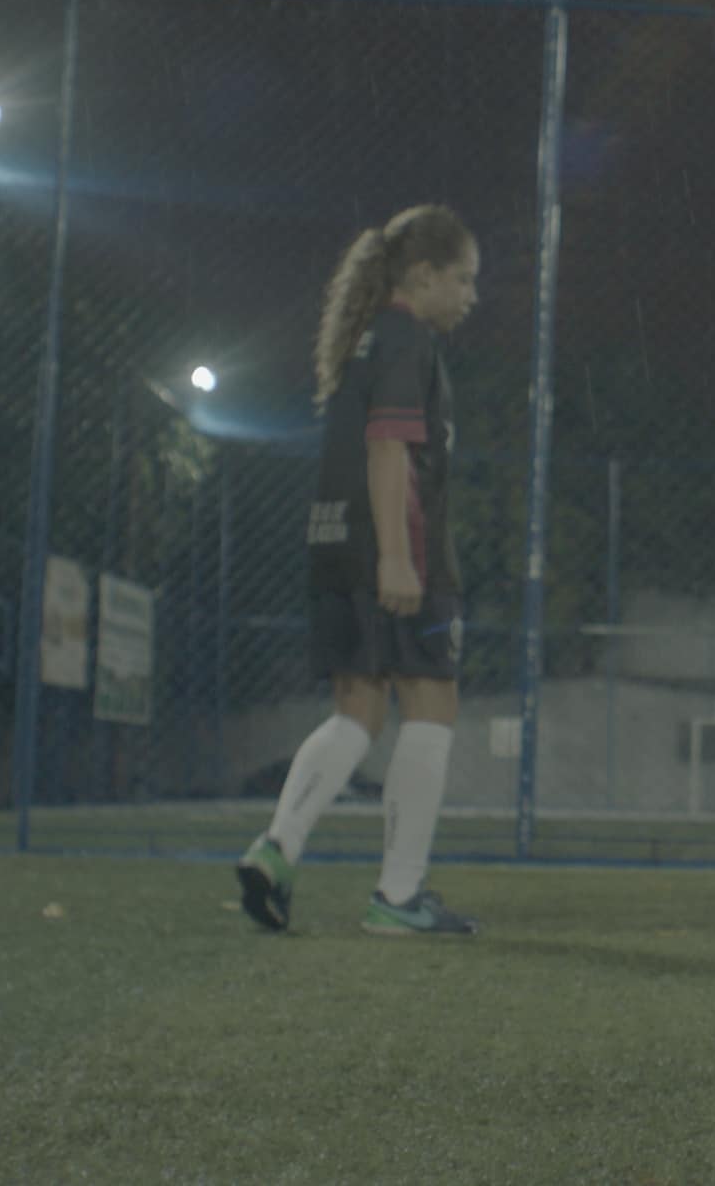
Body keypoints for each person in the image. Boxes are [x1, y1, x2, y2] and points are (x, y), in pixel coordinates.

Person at [236, 204, 483, 936]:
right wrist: (401, 562)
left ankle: (277, 849)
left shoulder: (368, 342)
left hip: (334, 546)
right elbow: (388, 451)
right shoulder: (407, 339)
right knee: (432, 707)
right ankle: (398, 898)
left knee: (358, 712)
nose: (471, 295)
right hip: (395, 551)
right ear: (424, 275)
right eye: (463, 279)